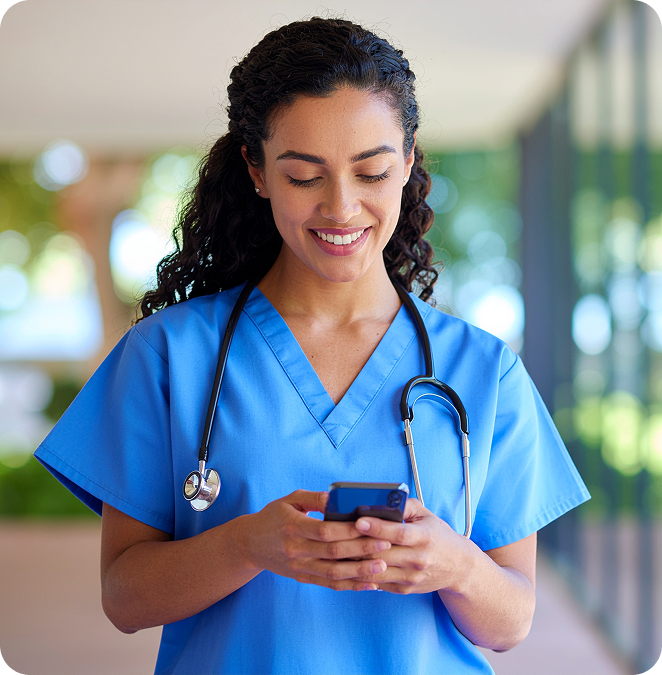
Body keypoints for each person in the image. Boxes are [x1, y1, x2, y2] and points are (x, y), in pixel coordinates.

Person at [34, 17, 590, 675]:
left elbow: (512, 620)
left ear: (408, 163)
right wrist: (247, 545)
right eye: (304, 177)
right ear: (257, 170)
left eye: (373, 170)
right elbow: (124, 597)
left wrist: (455, 563)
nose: (341, 207)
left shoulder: (483, 370)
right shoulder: (168, 357)